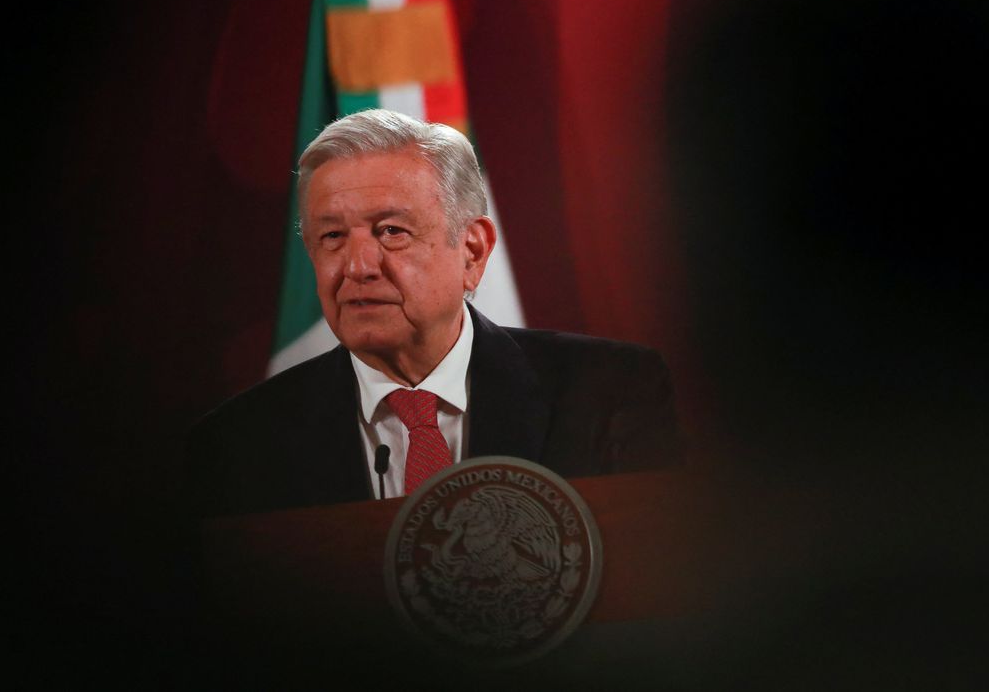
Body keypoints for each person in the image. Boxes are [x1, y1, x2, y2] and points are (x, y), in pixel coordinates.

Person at [188, 109, 681, 518]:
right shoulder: (237, 444)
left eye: (391, 231)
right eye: (332, 236)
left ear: (472, 250)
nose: (357, 267)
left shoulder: (610, 394)